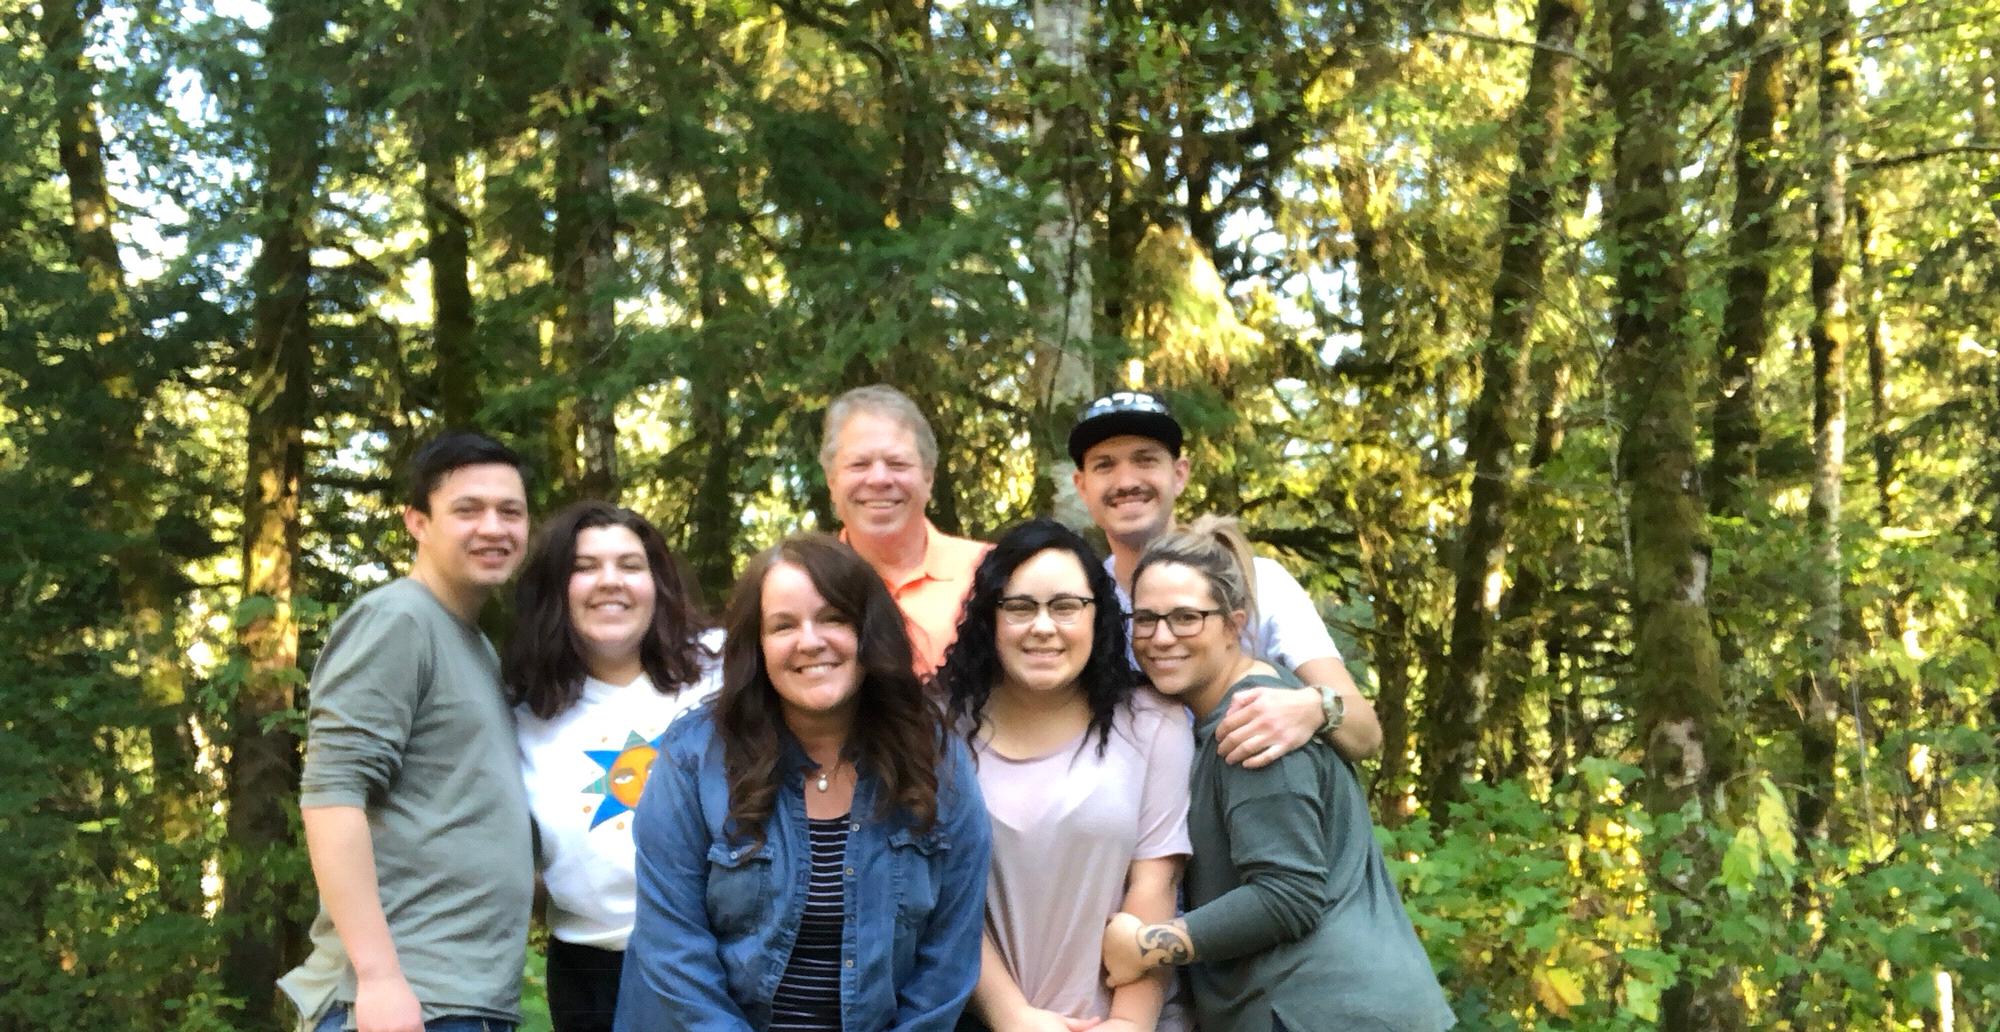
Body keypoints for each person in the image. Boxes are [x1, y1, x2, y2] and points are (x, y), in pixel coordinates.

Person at [614, 534, 992, 1031]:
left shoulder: (936, 761)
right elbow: (673, 953)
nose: (810, 641)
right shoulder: (693, 759)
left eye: (833, 617)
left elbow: (949, 961)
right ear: (757, 646)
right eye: (783, 625)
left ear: (868, 631)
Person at [1100, 516, 1454, 1032]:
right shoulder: (1246, 706)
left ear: (1234, 623)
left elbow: (1287, 895)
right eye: (1147, 619)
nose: (1160, 637)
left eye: (1186, 618)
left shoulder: (1253, 724)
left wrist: (1149, 946)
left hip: (1321, 1010)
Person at [279, 431, 535, 1032]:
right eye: (467, 510)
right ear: (417, 522)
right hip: (408, 1000)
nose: (493, 527)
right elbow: (332, 798)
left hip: (462, 998)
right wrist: (379, 978)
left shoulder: (473, 644)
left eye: (510, 511)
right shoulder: (397, 620)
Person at [936, 520, 1192, 1032]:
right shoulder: (939, 725)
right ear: (991, 617)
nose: (1043, 627)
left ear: (1098, 616)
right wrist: (1012, 1017)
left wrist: (1128, 1025)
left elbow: (1155, 885)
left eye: (1066, 606)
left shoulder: (1151, 722)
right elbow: (938, 895)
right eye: (1021, 607)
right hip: (981, 1020)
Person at [1067, 390, 1383, 766]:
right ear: (1082, 486)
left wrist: (1314, 708)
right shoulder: (1077, 603)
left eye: (1145, 460)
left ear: (1179, 474)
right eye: (1104, 465)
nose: (1126, 480)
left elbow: (1365, 732)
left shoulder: (1260, 582)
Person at [504, 502, 724, 1032]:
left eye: (630, 565)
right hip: (589, 970)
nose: (611, 582)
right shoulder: (521, 708)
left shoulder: (722, 667)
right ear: (557, 588)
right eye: (585, 567)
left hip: (719, 957)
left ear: (658, 583)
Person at [821, 384, 990, 674]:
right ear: (831, 481)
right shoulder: (806, 583)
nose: (878, 479)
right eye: (859, 464)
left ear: (928, 477)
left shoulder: (992, 571)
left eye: (897, 463)